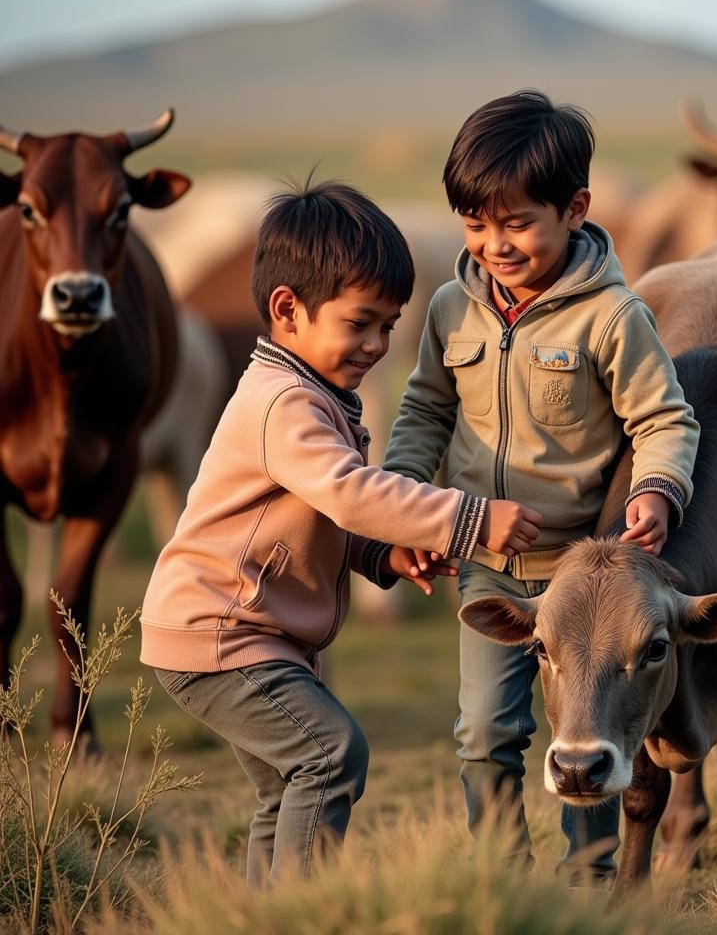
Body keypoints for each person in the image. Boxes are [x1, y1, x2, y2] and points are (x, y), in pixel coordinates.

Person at [139, 180, 542, 885]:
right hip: (220, 630)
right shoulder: (283, 401)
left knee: (286, 786)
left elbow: (326, 514)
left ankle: (265, 915)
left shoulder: (313, 394)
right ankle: (302, 915)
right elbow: (351, 492)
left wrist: (382, 552)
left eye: (389, 326)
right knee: (330, 756)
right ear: (287, 310)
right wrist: (468, 521)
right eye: (361, 324)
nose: (379, 345)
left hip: (242, 630)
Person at [382, 90, 701, 882]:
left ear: (575, 209)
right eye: (475, 225)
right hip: (483, 562)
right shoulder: (452, 307)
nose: (496, 244)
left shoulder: (614, 318)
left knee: (584, 721)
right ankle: (498, 874)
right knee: (486, 730)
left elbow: (665, 419)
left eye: (517, 221)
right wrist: (405, 510)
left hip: (581, 577)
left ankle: (588, 876)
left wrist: (657, 490)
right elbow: (423, 410)